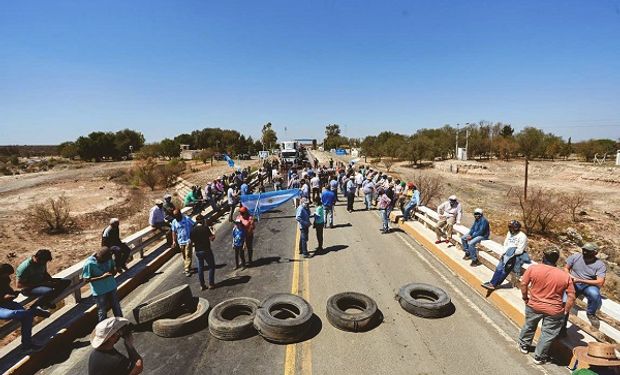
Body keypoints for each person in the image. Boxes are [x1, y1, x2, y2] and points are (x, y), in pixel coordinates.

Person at [517, 248, 575, 365]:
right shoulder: (565, 276)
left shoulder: (533, 268)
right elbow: (571, 296)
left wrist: (525, 298)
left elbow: (523, 284)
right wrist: (565, 311)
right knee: (547, 334)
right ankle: (539, 357)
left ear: (544, 257)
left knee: (529, 325)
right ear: (557, 260)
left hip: (534, 305)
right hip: (554, 310)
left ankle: (524, 346)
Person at [1, 263, 50, 352]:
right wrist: (3, 297)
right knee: (14, 313)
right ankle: (33, 311)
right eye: (6, 274)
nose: (8, 277)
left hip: (8, 303)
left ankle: (27, 344)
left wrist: (13, 294)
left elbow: (8, 292)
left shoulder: (4, 279)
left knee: (27, 317)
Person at [564, 242, 606, 327]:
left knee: (595, 295)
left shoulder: (600, 265)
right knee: (565, 302)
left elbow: (600, 282)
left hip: (588, 285)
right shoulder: (576, 257)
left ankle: (591, 313)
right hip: (573, 282)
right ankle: (562, 326)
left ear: (595, 252)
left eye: (588, 251)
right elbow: (566, 268)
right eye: (584, 250)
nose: (585, 252)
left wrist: (580, 280)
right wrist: (570, 276)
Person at [482, 220, 528, 290]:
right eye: (510, 227)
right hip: (506, 253)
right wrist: (504, 252)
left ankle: (494, 284)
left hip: (514, 256)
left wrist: (511, 253)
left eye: (512, 227)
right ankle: (493, 283)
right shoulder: (509, 233)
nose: (511, 229)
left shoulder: (522, 236)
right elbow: (506, 243)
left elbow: (520, 250)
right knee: (499, 268)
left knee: (505, 270)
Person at [82, 247, 122, 322]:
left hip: (111, 287)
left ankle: (122, 324)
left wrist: (114, 271)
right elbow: (86, 280)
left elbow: (114, 269)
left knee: (116, 306)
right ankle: (103, 330)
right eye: (103, 261)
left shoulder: (108, 258)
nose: (105, 263)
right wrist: (102, 277)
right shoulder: (89, 263)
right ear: (98, 258)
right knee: (102, 311)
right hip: (100, 292)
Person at [190, 214, 216, 290]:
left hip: (198, 251)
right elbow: (212, 238)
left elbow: (191, 242)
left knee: (200, 269)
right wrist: (213, 232)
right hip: (206, 250)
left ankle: (202, 285)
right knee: (211, 266)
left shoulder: (192, 230)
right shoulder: (205, 228)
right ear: (203, 221)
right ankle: (211, 284)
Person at [170, 209, 195, 277]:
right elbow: (174, 232)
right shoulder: (174, 222)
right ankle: (187, 266)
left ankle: (187, 269)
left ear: (180, 214)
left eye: (177, 215)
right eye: (175, 216)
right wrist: (174, 241)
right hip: (180, 241)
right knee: (184, 255)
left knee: (188, 254)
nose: (176, 217)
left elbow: (193, 225)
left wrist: (193, 236)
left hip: (188, 240)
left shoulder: (187, 219)